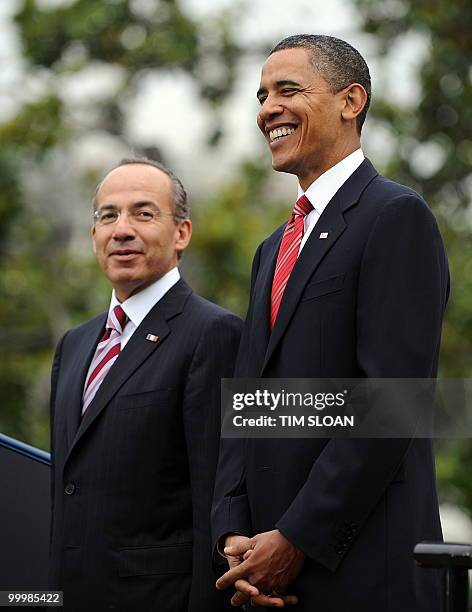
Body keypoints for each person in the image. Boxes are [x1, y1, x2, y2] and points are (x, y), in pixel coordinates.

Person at [212, 34, 449, 611]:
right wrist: (234, 533)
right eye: (262, 94)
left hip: (364, 571)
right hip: (266, 577)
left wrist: (296, 540)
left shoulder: (395, 216)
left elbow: (391, 402)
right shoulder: (273, 248)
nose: (267, 108)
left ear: (351, 101)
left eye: (288, 90)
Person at [49, 158, 242, 611]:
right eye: (108, 216)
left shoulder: (212, 334)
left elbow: (215, 500)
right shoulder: (74, 346)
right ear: (93, 235)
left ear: (181, 234)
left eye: (143, 213)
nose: (121, 230)